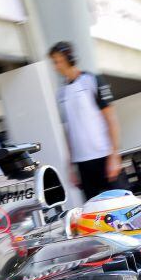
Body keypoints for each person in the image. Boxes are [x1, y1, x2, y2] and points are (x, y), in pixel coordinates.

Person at [49, 41, 125, 200]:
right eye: (54, 62)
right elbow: (69, 132)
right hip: (82, 164)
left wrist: (114, 156)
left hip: (104, 157)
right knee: (93, 216)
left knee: (122, 207)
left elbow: (111, 119)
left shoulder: (92, 80)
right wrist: (71, 168)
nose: (55, 66)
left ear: (69, 58)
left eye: (57, 61)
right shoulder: (61, 93)